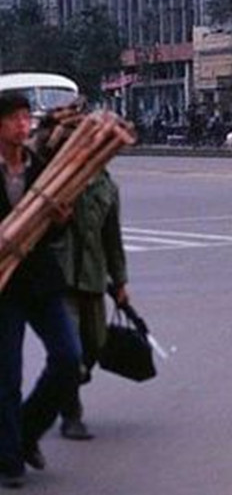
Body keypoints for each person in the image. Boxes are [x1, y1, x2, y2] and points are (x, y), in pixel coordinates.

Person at [0, 92, 82, 489]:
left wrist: (61, 219)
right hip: (4, 286)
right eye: (14, 119)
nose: (23, 125)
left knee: (69, 357)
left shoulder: (40, 167)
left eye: (25, 118)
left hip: (40, 279)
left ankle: (27, 433)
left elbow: (53, 227)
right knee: (6, 376)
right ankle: (10, 457)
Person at [54, 169, 129, 441]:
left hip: (93, 277)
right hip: (62, 277)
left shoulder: (107, 186)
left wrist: (119, 281)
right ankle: (71, 414)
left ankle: (69, 379)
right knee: (70, 350)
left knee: (95, 343)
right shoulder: (56, 176)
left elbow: (112, 237)